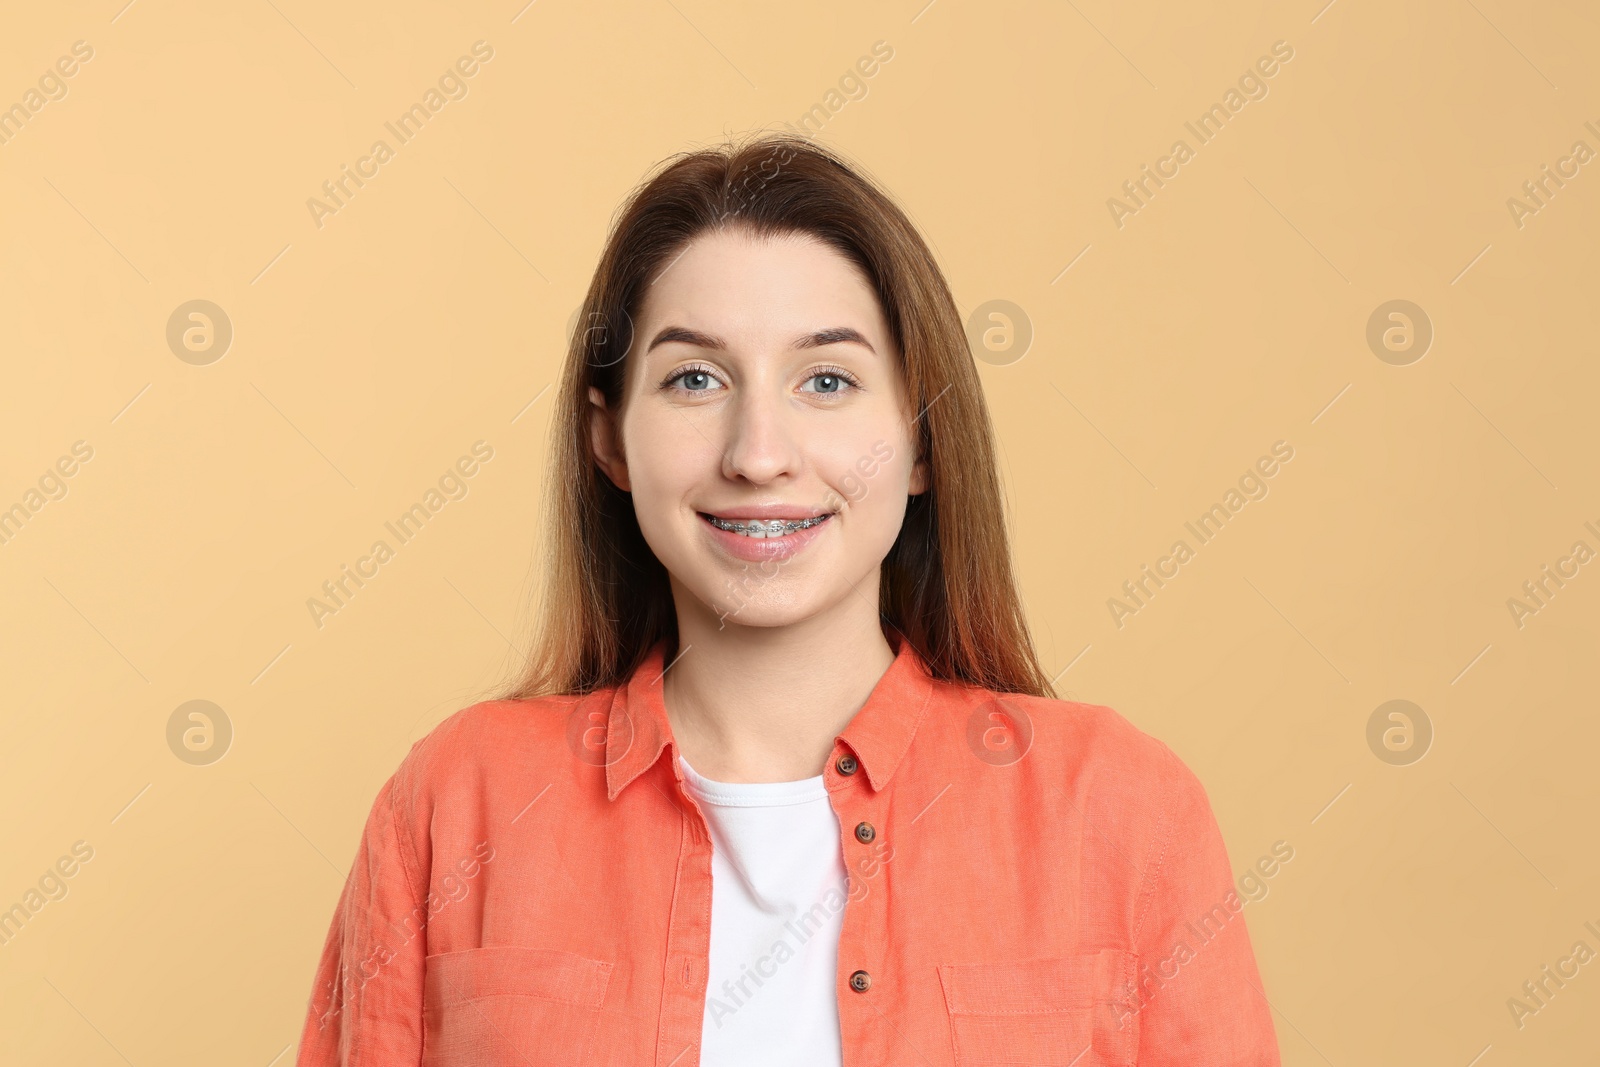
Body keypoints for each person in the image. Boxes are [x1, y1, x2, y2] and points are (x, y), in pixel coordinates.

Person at [292, 131, 1281, 1066]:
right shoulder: (455, 805)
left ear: (924, 436)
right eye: (692, 378)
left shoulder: (1119, 811)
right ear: (608, 441)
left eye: (826, 380)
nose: (758, 453)